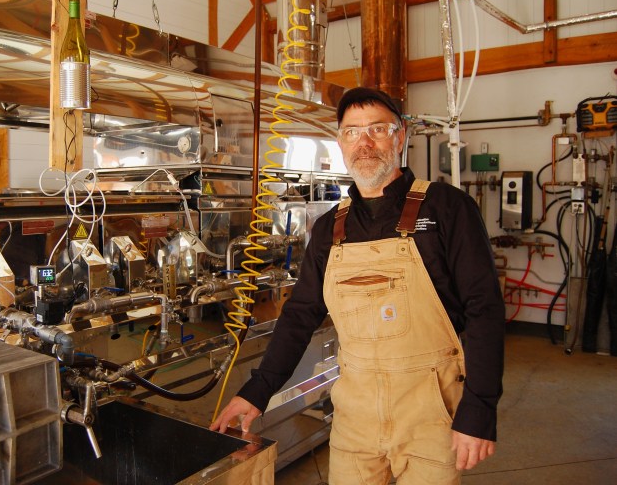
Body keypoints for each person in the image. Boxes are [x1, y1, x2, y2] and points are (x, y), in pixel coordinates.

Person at [210, 87, 505, 484]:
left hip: (432, 414)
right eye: (352, 132)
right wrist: (257, 390)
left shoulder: (447, 208)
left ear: (400, 137)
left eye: (377, 129)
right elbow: (300, 315)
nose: (364, 143)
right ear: (340, 142)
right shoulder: (331, 226)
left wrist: (480, 408)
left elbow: (485, 309)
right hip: (355, 418)